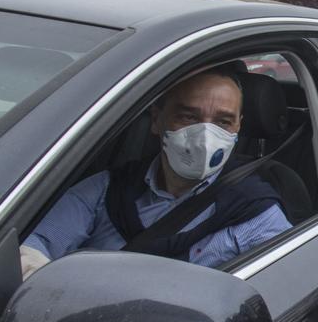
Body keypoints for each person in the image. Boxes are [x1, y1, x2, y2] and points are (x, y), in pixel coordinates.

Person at [21, 66, 292, 276]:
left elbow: (282, 289)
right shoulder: (107, 190)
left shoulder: (256, 214)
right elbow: (36, 247)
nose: (205, 136)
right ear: (156, 119)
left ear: (237, 128)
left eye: (223, 121)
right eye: (188, 117)